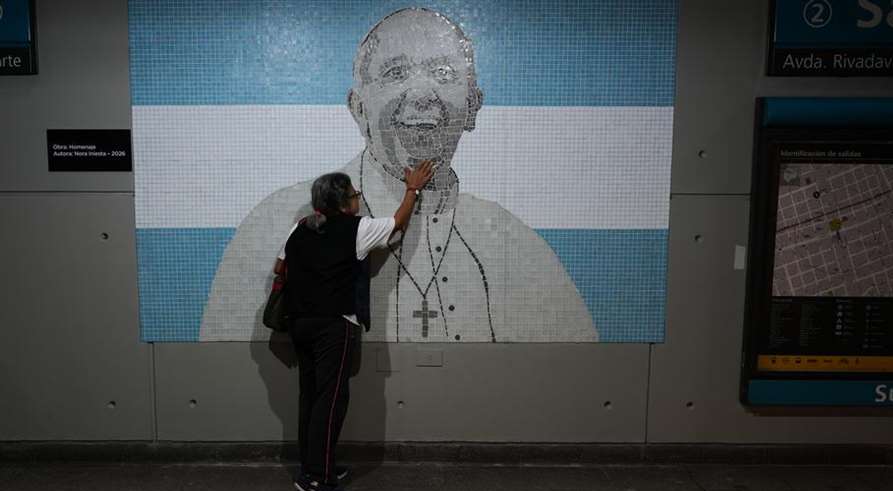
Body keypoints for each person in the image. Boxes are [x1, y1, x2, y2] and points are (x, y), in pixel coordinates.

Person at [200, 7, 598, 343]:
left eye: (443, 73)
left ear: (474, 106)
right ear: (358, 107)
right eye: (395, 73)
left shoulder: (520, 248)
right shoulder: (275, 221)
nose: (423, 94)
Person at [286, 161, 434, 491]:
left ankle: (313, 467)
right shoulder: (355, 229)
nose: (358, 200)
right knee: (332, 400)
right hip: (331, 327)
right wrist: (412, 189)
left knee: (311, 397)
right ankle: (317, 480)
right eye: (355, 195)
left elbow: (282, 264)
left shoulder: (299, 230)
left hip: (300, 324)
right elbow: (397, 224)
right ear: (342, 203)